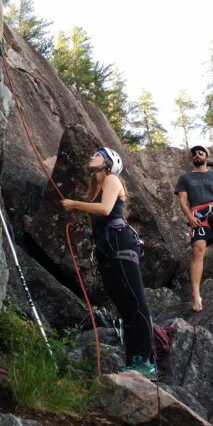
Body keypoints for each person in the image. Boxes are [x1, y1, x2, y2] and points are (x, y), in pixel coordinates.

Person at [61, 147, 155, 377]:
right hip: (107, 250)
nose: (91, 155)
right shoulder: (97, 189)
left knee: (136, 304)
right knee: (125, 308)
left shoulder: (113, 179)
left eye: (98, 154)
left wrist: (74, 204)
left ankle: (146, 360)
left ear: (108, 162)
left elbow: (105, 210)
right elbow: (98, 226)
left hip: (121, 246)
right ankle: (134, 361)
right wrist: (83, 228)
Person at [174, 145, 213, 312]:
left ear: (207, 157)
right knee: (198, 249)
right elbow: (182, 201)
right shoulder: (185, 178)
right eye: (194, 154)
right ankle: (196, 295)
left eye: (200, 153)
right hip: (198, 214)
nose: (197, 155)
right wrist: (189, 217)